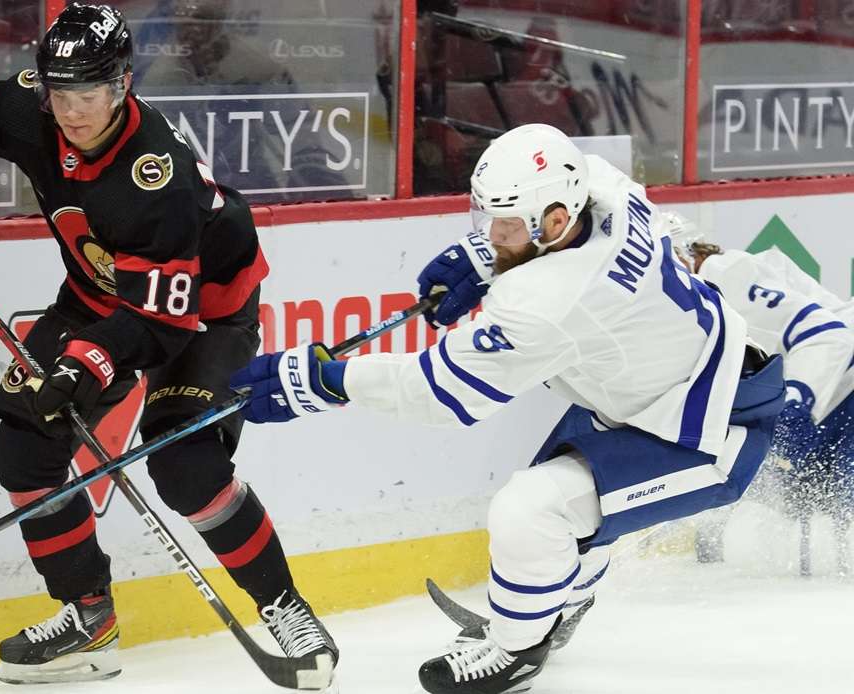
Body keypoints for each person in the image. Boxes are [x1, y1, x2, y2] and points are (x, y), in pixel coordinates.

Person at [0, 3, 337, 686]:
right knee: (25, 446)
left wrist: (87, 361)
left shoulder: (158, 176)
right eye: (61, 92)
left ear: (122, 84)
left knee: (185, 464)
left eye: (89, 92)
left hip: (201, 315)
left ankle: (285, 606)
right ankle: (89, 620)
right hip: (100, 298)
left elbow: (161, 324)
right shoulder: (31, 109)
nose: (74, 110)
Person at [229, 123, 785, 694]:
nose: (494, 232)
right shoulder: (604, 189)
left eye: (510, 225)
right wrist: (485, 256)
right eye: (486, 219)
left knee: (532, 511)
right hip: (674, 385)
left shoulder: (551, 301)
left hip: (710, 430)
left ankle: (517, 650)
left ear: (557, 222)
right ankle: (565, 599)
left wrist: (322, 381)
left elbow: (440, 390)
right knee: (571, 499)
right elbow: (585, 180)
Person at [667, 213, 854, 572]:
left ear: (684, 255)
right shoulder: (692, 308)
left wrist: (795, 406)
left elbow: (829, 335)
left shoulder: (721, 276)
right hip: (832, 399)